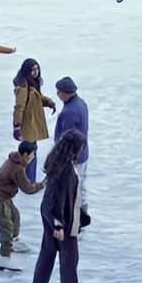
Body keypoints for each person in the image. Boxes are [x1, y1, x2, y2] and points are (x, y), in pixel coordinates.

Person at [30, 129, 89, 283]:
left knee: (48, 251)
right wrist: (59, 224)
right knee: (69, 258)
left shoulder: (58, 163)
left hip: (50, 214)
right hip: (60, 219)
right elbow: (58, 197)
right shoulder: (66, 171)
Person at [0, 142, 43, 272]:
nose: (33, 158)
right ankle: (4, 260)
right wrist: (42, 185)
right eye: (32, 155)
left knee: (15, 216)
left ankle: (13, 241)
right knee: (6, 226)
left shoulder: (16, 160)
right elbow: (28, 189)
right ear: (24, 154)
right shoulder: (17, 168)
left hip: (5, 195)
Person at [10, 58, 57, 182]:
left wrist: (48, 102)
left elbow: (38, 97)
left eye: (37, 69)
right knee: (31, 152)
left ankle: (25, 177)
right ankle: (29, 180)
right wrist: (17, 126)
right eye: (32, 70)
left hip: (32, 122)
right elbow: (19, 107)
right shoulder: (23, 87)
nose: (35, 72)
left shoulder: (33, 83)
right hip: (28, 123)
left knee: (30, 150)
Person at [53, 76, 89, 209]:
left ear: (65, 93)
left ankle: (79, 215)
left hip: (73, 156)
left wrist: (62, 157)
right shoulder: (80, 103)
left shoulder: (70, 112)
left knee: (74, 187)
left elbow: (67, 138)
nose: (57, 95)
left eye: (59, 92)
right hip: (82, 153)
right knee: (80, 184)